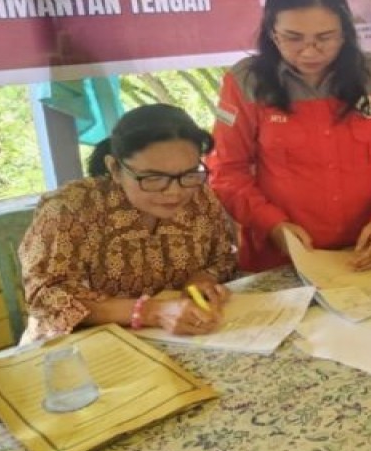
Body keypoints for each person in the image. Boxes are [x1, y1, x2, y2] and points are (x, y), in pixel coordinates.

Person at [209, 0, 371, 272]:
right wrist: (273, 225)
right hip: (282, 255)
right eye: (293, 38)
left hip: (364, 249)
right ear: (272, 33)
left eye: (325, 38)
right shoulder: (245, 82)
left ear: (345, 33)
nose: (310, 51)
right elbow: (227, 172)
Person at [19, 104, 235, 343]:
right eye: (153, 178)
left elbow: (222, 258)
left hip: (175, 340)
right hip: (78, 348)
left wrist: (202, 279)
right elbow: (46, 296)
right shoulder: (70, 209)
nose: (175, 192)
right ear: (115, 168)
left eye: (189, 174)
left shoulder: (200, 197)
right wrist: (151, 311)